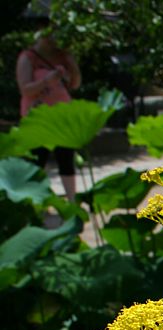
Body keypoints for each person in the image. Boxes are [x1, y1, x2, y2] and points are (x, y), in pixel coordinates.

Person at [16, 19, 81, 201]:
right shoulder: (28, 57)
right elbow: (25, 89)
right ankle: (33, 203)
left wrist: (72, 65)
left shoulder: (62, 55)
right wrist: (46, 81)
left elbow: (74, 84)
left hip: (62, 117)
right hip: (38, 118)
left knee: (66, 160)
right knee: (36, 163)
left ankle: (72, 202)